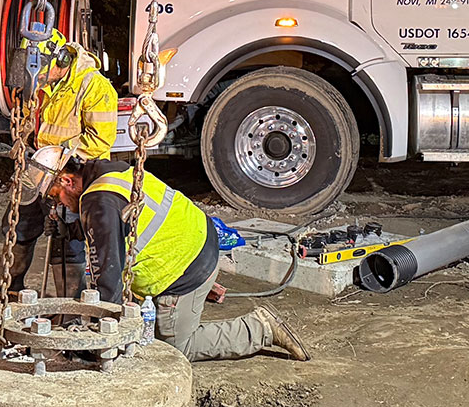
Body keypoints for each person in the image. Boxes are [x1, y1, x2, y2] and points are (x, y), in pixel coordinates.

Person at [32, 148, 311, 362]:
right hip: (197, 241)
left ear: (67, 180)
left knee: (175, 348)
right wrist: (72, 228)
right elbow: (116, 226)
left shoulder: (98, 202)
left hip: (185, 270)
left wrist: (101, 335)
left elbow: (108, 277)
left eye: (56, 196)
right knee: (142, 332)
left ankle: (260, 328)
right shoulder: (109, 172)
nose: (58, 203)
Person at [0, 27, 121, 294]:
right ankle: (10, 281)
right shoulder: (39, 84)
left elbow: (100, 141)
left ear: (61, 61)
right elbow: (29, 123)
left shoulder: (94, 86)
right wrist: (25, 147)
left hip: (72, 175)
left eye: (41, 71)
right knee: (17, 222)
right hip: (38, 168)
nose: (37, 77)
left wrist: (57, 158)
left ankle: (69, 302)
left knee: (66, 239)